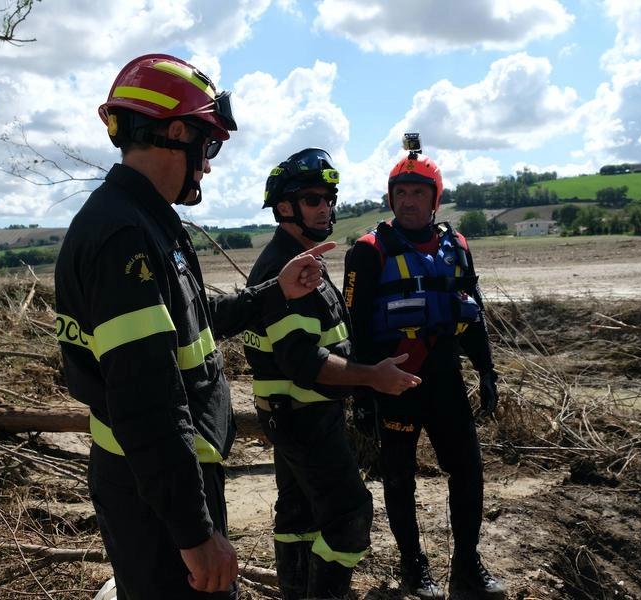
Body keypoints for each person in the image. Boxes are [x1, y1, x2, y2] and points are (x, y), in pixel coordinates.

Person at [54, 54, 334, 600]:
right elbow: (146, 401)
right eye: (206, 147)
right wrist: (194, 531)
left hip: (163, 478)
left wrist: (276, 291)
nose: (206, 167)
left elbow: (195, 323)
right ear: (176, 132)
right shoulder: (124, 237)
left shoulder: (148, 221)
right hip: (155, 487)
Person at [243, 148, 422, 599]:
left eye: (329, 197)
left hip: (291, 414)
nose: (325, 207)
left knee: (298, 513)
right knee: (350, 517)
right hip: (303, 415)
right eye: (311, 198)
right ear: (284, 207)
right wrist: (371, 377)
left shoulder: (299, 258)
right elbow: (304, 363)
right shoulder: (286, 267)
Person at [342, 135, 506, 600]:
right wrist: (362, 393)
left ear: (435, 199)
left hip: (444, 377)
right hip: (394, 381)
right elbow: (355, 325)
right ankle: (414, 569)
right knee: (398, 476)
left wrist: (487, 370)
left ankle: (467, 567)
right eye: (401, 193)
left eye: (418, 193)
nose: (409, 201)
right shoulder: (368, 251)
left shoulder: (457, 246)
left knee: (469, 469)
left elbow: (472, 311)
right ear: (390, 198)